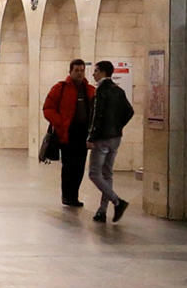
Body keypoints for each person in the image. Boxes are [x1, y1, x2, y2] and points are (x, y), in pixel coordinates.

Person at [42, 59, 96, 208]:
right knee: (68, 166)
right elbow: (48, 109)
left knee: (79, 166)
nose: (79, 73)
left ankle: (74, 195)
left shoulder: (90, 90)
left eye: (82, 70)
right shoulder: (60, 88)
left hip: (83, 135)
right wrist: (59, 123)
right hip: (67, 134)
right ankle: (67, 196)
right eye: (76, 70)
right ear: (70, 71)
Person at [87, 60, 135, 222]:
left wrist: (91, 137)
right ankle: (102, 210)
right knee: (107, 173)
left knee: (94, 173)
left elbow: (97, 116)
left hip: (102, 138)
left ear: (102, 72)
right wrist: (117, 126)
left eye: (95, 71)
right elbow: (129, 111)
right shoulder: (118, 90)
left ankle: (117, 201)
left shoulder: (101, 90)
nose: (93, 74)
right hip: (116, 137)